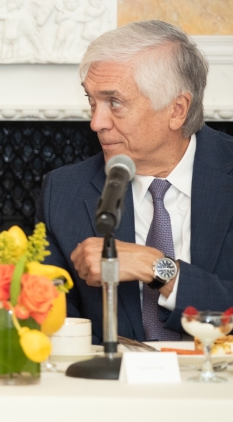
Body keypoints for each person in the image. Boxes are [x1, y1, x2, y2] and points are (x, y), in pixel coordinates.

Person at [36, 20, 233, 342]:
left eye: (115, 103)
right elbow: (53, 323)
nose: (96, 123)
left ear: (176, 110)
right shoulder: (64, 191)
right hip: (112, 387)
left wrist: (159, 269)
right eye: (92, 101)